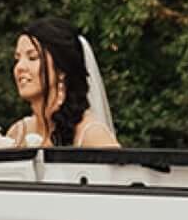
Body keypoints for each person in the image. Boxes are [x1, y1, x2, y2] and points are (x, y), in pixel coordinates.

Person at [7, 17, 120, 149]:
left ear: (61, 69)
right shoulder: (18, 133)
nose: (19, 67)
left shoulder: (92, 135)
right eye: (17, 59)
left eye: (32, 57)